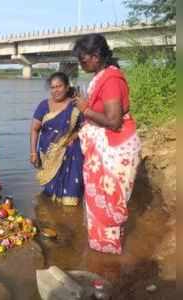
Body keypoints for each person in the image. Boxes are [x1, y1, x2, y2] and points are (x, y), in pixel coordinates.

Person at [72, 34, 141, 254]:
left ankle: (108, 254)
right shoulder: (102, 76)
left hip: (115, 148)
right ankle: (105, 249)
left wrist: (85, 109)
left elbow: (113, 121)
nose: (81, 64)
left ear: (96, 56)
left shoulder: (111, 80)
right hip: (107, 148)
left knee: (110, 201)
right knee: (102, 200)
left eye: (83, 60)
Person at [30, 72, 84, 206]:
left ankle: (70, 213)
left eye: (59, 86)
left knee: (70, 196)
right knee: (49, 195)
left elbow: (85, 126)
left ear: (67, 87)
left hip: (71, 153)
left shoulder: (75, 105)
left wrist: (73, 136)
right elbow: (34, 129)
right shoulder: (44, 105)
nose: (55, 90)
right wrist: (33, 152)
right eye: (53, 87)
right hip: (49, 155)